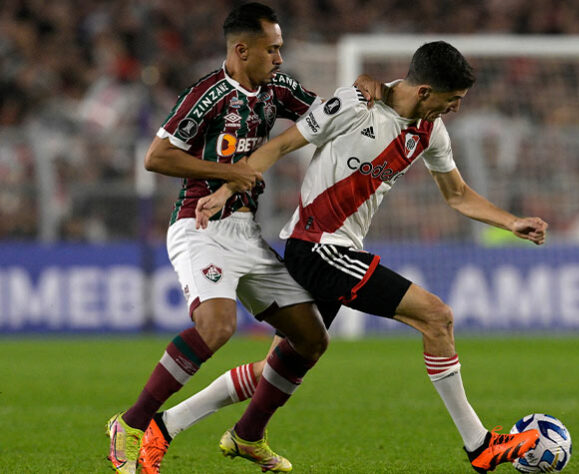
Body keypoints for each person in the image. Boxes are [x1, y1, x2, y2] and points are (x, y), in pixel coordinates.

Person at [196, 41, 548, 473]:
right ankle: (479, 446)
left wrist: (510, 222)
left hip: (336, 249)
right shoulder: (355, 104)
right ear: (424, 92)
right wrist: (226, 188)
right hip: (319, 246)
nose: (454, 109)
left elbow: (456, 195)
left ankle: (174, 426)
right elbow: (281, 146)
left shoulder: (430, 131)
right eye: (451, 100)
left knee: (278, 365)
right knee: (436, 317)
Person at [105, 3, 383, 474]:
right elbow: (156, 157)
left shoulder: (277, 88)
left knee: (311, 339)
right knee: (217, 327)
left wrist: (366, 92)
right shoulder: (207, 94)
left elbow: (322, 116)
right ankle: (130, 425)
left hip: (246, 234)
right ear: (241, 50)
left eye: (280, 48)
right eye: (271, 49)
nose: (279, 57)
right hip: (200, 228)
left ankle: (249, 435)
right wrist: (225, 172)